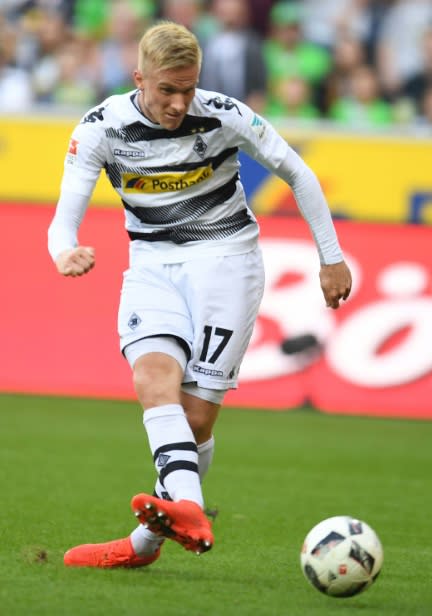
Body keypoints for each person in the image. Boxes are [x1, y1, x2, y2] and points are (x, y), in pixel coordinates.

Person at [48, 21, 352, 568]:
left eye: (188, 88)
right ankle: (190, 507)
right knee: (152, 379)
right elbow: (63, 218)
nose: (180, 102)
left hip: (227, 263)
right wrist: (64, 251)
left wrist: (330, 257)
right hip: (152, 264)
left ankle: (143, 546)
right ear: (139, 78)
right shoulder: (101, 126)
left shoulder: (224, 113)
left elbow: (298, 173)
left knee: (195, 421)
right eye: (167, 89)